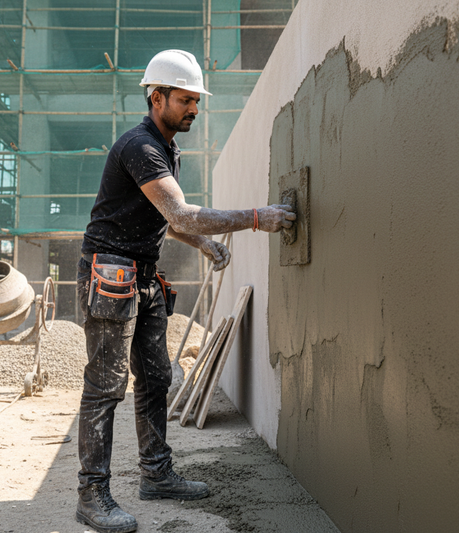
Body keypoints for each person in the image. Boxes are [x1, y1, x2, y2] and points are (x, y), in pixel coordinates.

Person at [75, 49, 296, 533]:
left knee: (155, 379)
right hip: (110, 273)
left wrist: (203, 244)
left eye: (197, 100)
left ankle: (155, 474)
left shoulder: (167, 146)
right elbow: (182, 213)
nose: (194, 108)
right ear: (156, 98)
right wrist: (256, 219)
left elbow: (166, 219)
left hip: (144, 275)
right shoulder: (141, 147)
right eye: (185, 100)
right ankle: (92, 496)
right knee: (106, 387)